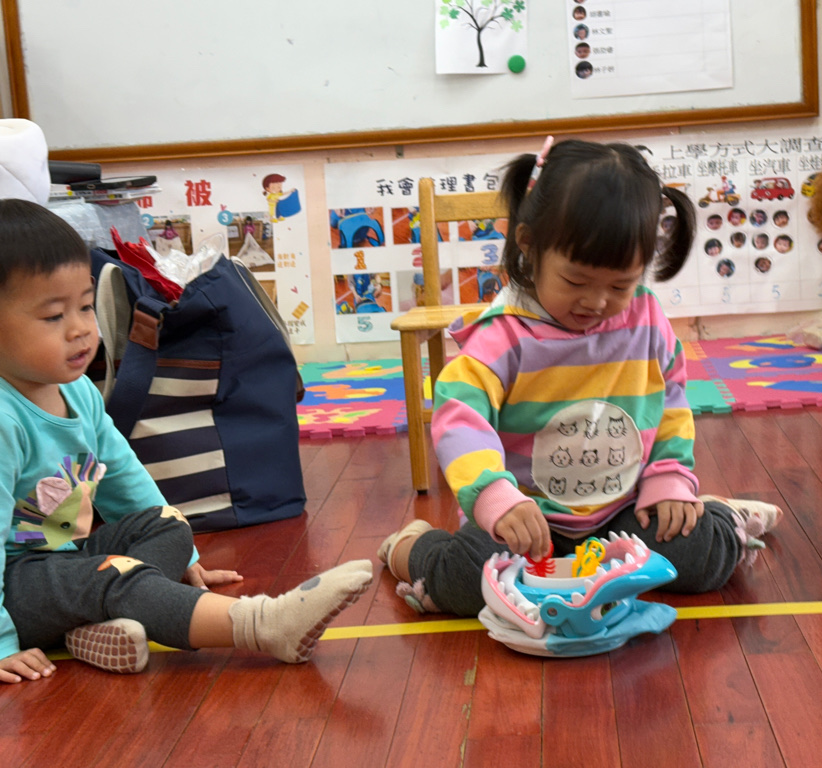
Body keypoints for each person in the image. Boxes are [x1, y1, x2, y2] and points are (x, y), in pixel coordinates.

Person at [376, 140, 781, 617]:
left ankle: (724, 514)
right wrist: (495, 497)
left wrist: (670, 476)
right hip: (527, 522)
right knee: (468, 582)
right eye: (575, 281)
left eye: (621, 285)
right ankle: (410, 547)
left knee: (702, 557)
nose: (597, 301)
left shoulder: (647, 320)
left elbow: (670, 398)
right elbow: (459, 419)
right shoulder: (503, 335)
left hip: (624, 511)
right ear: (529, 244)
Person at [0, 200, 373, 683]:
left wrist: (186, 561)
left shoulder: (77, 392)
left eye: (86, 306)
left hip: (65, 559)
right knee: (115, 575)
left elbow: (125, 477)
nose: (81, 329)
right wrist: (2, 641)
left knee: (168, 525)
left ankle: (101, 621)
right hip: (16, 586)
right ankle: (264, 624)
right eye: (54, 316)